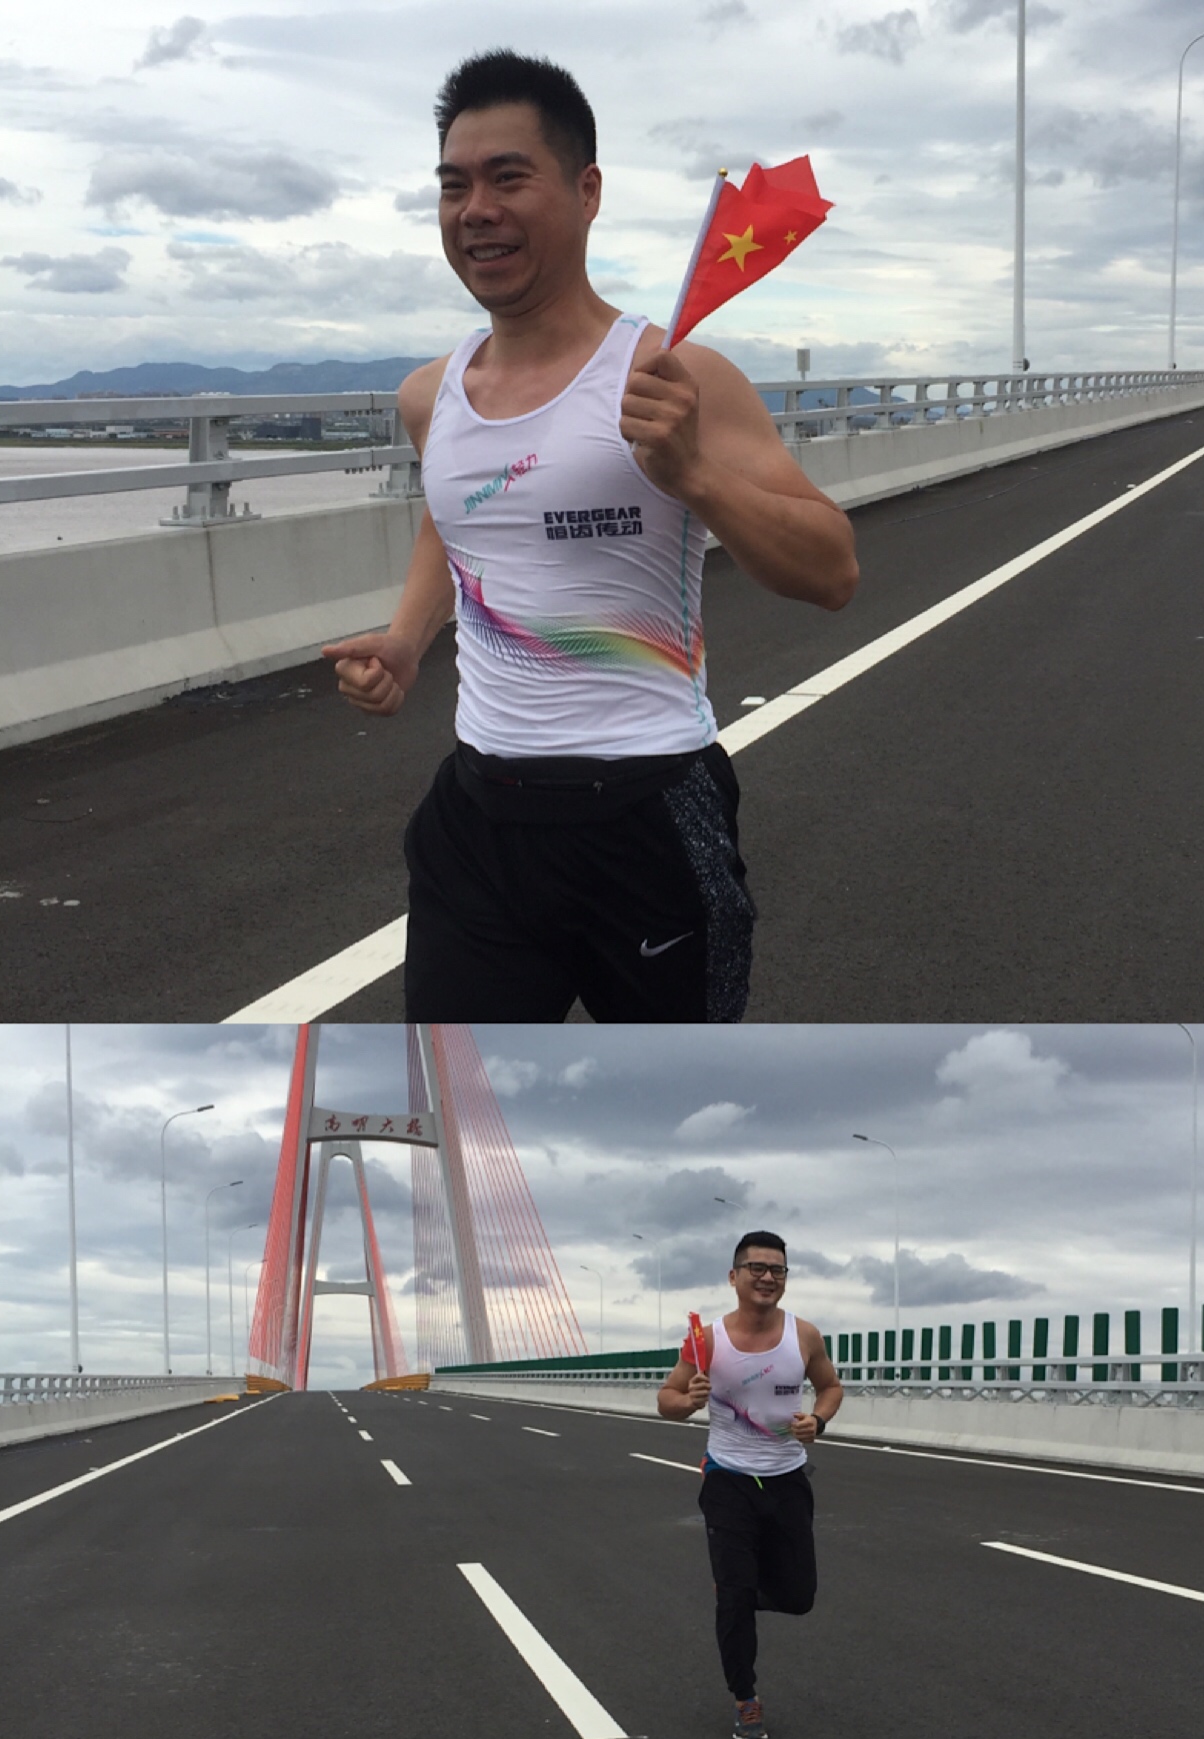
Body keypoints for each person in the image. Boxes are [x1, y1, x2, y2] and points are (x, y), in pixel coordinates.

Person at [322, 49, 858, 1023]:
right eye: (454, 185)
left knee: (670, 1104)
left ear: (587, 191)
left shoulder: (676, 376)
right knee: (462, 1101)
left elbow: (832, 569)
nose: (476, 209)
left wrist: (694, 475)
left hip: (650, 814)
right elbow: (459, 517)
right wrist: (406, 637)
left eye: (508, 177)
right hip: (479, 820)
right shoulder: (428, 396)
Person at [658, 1231, 842, 1739]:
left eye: (777, 1270)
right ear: (734, 1276)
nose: (767, 1277)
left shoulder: (804, 1335)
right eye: (756, 1268)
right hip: (728, 1479)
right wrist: (689, 1401)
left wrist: (818, 1421)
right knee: (734, 1598)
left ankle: (739, 1588)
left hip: (787, 1479)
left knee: (799, 1596)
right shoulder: (707, 1340)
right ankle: (746, 1699)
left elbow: (830, 1386)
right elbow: (667, 1398)